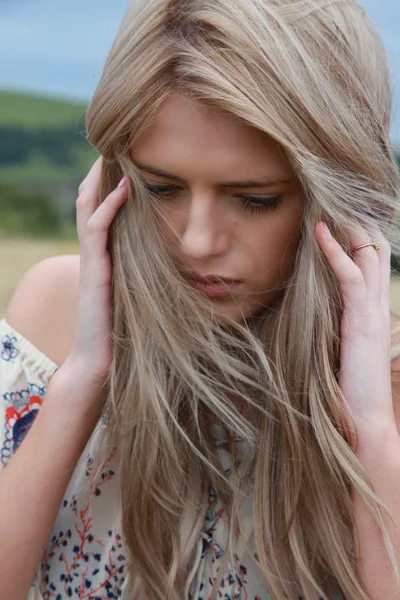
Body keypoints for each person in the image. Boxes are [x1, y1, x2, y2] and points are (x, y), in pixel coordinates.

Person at [1, 0, 400, 598]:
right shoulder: (57, 307)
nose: (198, 242)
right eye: (162, 188)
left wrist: (368, 427)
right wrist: (83, 378)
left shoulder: (386, 380)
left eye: (254, 198)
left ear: (336, 196)